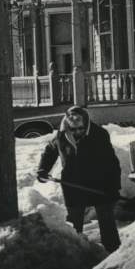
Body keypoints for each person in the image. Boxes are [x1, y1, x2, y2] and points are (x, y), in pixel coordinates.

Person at [37, 105, 122, 253]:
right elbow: (50, 151)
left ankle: (114, 252)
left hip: (99, 183)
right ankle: (76, 254)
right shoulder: (61, 135)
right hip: (73, 184)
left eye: (80, 129)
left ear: (86, 123)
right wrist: (43, 169)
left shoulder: (99, 134)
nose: (77, 132)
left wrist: (113, 187)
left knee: (106, 220)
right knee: (74, 224)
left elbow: (112, 163)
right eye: (73, 130)